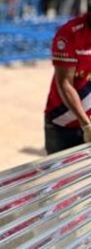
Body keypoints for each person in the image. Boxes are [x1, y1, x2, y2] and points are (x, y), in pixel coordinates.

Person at [44, 11, 91, 153]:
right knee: (59, 167)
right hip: (63, 124)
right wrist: (86, 125)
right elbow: (65, 83)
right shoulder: (69, 33)